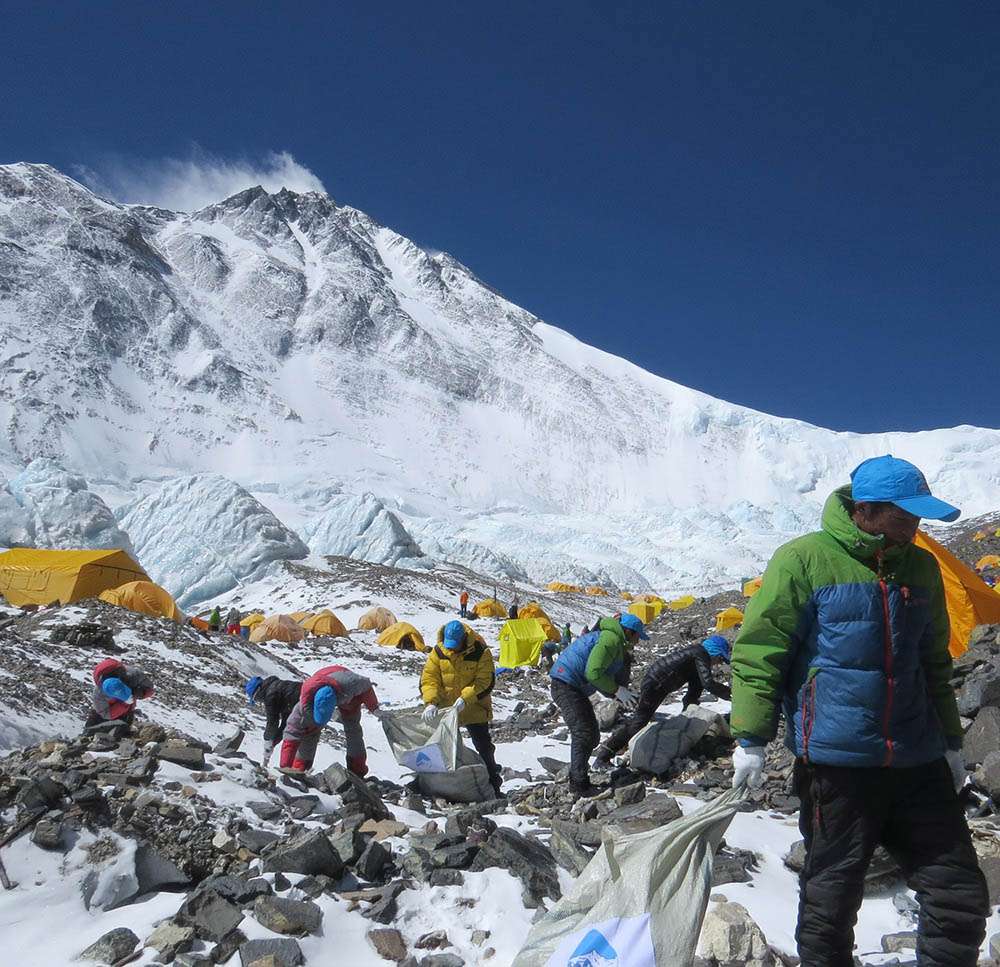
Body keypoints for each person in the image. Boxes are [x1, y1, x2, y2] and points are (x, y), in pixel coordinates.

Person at [730, 455, 988, 967]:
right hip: (837, 764)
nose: (915, 527)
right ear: (865, 510)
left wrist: (952, 742)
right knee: (832, 901)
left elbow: (933, 659)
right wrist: (750, 738)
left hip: (917, 760)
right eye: (903, 516)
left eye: (919, 517)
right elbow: (761, 650)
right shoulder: (804, 559)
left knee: (959, 896)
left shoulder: (921, 566)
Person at [593, 634, 732, 768]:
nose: (718, 664)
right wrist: (731, 695)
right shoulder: (700, 653)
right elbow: (708, 683)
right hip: (655, 684)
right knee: (639, 723)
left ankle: (683, 739)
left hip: (659, 684)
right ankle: (604, 755)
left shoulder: (696, 656)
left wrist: (689, 717)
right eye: (720, 659)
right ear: (714, 652)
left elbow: (695, 690)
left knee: (643, 720)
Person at [549, 613, 647, 797]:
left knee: (592, 734)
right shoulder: (611, 640)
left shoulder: (613, 640)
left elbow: (600, 673)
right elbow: (593, 673)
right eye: (637, 636)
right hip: (565, 683)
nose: (638, 642)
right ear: (628, 632)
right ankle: (578, 785)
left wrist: (616, 693)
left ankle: (579, 776)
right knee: (583, 732)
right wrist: (617, 690)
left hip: (570, 684)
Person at [420, 619, 503, 797]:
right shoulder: (438, 652)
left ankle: (493, 784)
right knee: (446, 747)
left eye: (455, 645)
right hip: (447, 709)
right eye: (450, 645)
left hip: (475, 707)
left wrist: (465, 698)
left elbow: (485, 681)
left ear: (464, 639)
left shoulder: (480, 652)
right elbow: (429, 679)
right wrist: (431, 702)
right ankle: (447, 787)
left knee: (484, 746)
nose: (452, 649)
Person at [279, 666, 380, 776]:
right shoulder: (303, 707)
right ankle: (300, 769)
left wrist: (374, 708)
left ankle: (357, 769)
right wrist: (285, 768)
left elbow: (366, 685)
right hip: (329, 683)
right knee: (310, 732)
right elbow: (291, 734)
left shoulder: (352, 684)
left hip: (347, 694)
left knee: (353, 729)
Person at [85, 658, 154, 732]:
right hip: (102, 715)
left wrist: (141, 693)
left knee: (122, 732)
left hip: (127, 712)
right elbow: (105, 713)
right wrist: (124, 703)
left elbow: (150, 689)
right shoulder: (99, 694)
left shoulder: (134, 675)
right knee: (90, 732)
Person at [246, 675, 301, 764]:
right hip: (307, 700)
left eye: (256, 698)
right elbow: (286, 723)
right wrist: (274, 742)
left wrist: (268, 740)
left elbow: (273, 722)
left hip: (305, 705)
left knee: (296, 736)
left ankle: (295, 768)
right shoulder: (279, 691)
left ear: (259, 691)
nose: (260, 701)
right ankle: (298, 767)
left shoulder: (270, 695)